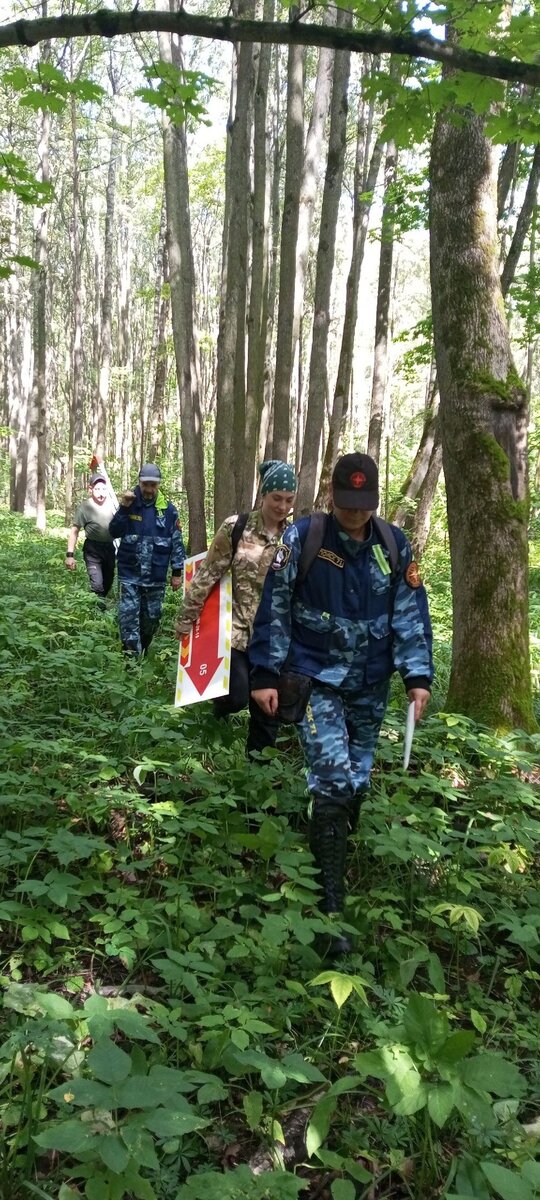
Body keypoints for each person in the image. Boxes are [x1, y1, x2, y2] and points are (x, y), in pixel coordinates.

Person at [249, 452, 433, 952]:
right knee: (331, 776)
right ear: (331, 497)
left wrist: (417, 676)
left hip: (370, 685)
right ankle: (331, 906)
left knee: (356, 778)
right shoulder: (302, 538)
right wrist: (265, 673)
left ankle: (330, 842)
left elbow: (410, 612)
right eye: (347, 506)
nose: (355, 516)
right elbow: (275, 606)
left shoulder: (394, 545)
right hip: (315, 678)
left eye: (364, 506)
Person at [175, 460, 297, 756]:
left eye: (289, 499)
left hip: (274, 640)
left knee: (268, 712)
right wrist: (185, 619)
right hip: (237, 633)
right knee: (237, 697)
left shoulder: (294, 538)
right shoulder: (237, 527)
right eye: (276, 498)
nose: (282, 506)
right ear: (264, 496)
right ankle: (216, 721)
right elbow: (207, 574)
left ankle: (257, 777)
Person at [109, 463, 185, 657]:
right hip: (129, 575)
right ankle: (131, 661)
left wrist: (177, 572)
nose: (149, 490)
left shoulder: (168, 511)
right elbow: (114, 531)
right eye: (146, 485)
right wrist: (124, 508)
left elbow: (176, 542)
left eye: (153, 485)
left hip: (155, 577)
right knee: (128, 618)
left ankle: (142, 649)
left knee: (152, 619)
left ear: (158, 485)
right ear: (139, 483)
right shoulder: (129, 504)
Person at [65, 470, 117, 608]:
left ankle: (99, 604)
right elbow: (74, 531)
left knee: (108, 582)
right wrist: (69, 555)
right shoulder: (85, 507)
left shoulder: (113, 505)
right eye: (97, 489)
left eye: (104, 489)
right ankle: (98, 614)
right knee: (97, 584)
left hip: (109, 548)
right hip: (93, 549)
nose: (101, 492)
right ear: (90, 489)